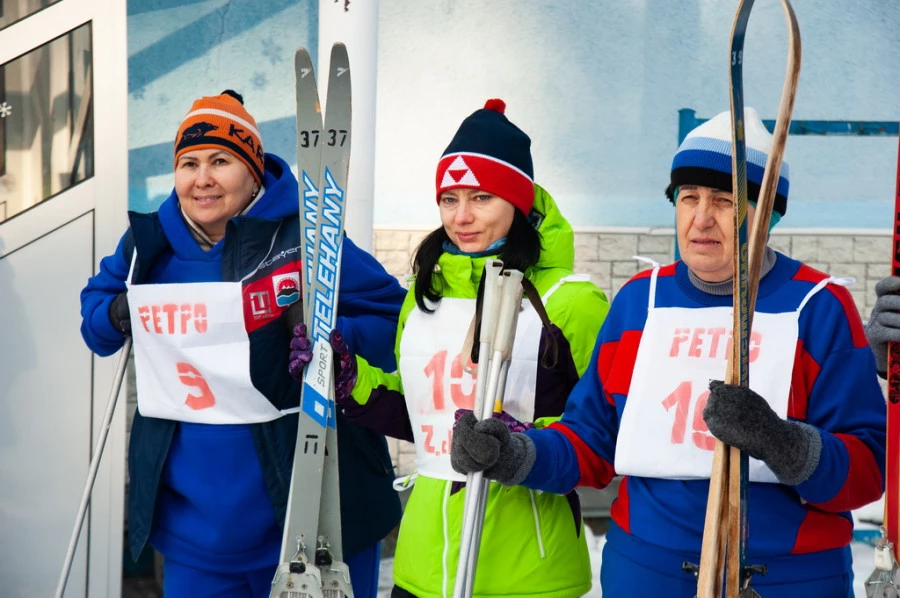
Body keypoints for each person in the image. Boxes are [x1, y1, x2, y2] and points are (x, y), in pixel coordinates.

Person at [451, 107, 887, 598]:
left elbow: (867, 471)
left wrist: (782, 441)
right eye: (688, 198)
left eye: (724, 200)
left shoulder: (818, 307)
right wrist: (513, 453)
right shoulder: (642, 300)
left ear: (767, 212)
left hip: (786, 576)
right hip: (647, 571)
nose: (701, 219)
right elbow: (592, 440)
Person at [79, 90, 405, 598]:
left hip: (313, 522)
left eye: (220, 161)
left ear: (253, 171)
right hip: (197, 532)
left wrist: (329, 338)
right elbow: (95, 320)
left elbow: (393, 317)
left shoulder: (306, 235)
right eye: (188, 163)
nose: (202, 178)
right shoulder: (149, 245)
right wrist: (117, 314)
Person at [293, 99, 611, 597]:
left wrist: (522, 447)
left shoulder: (569, 302)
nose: (461, 217)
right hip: (422, 568)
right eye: (449, 199)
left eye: (482, 197)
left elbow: (601, 438)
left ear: (520, 203)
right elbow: (420, 416)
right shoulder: (424, 294)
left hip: (528, 573)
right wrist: (352, 382)